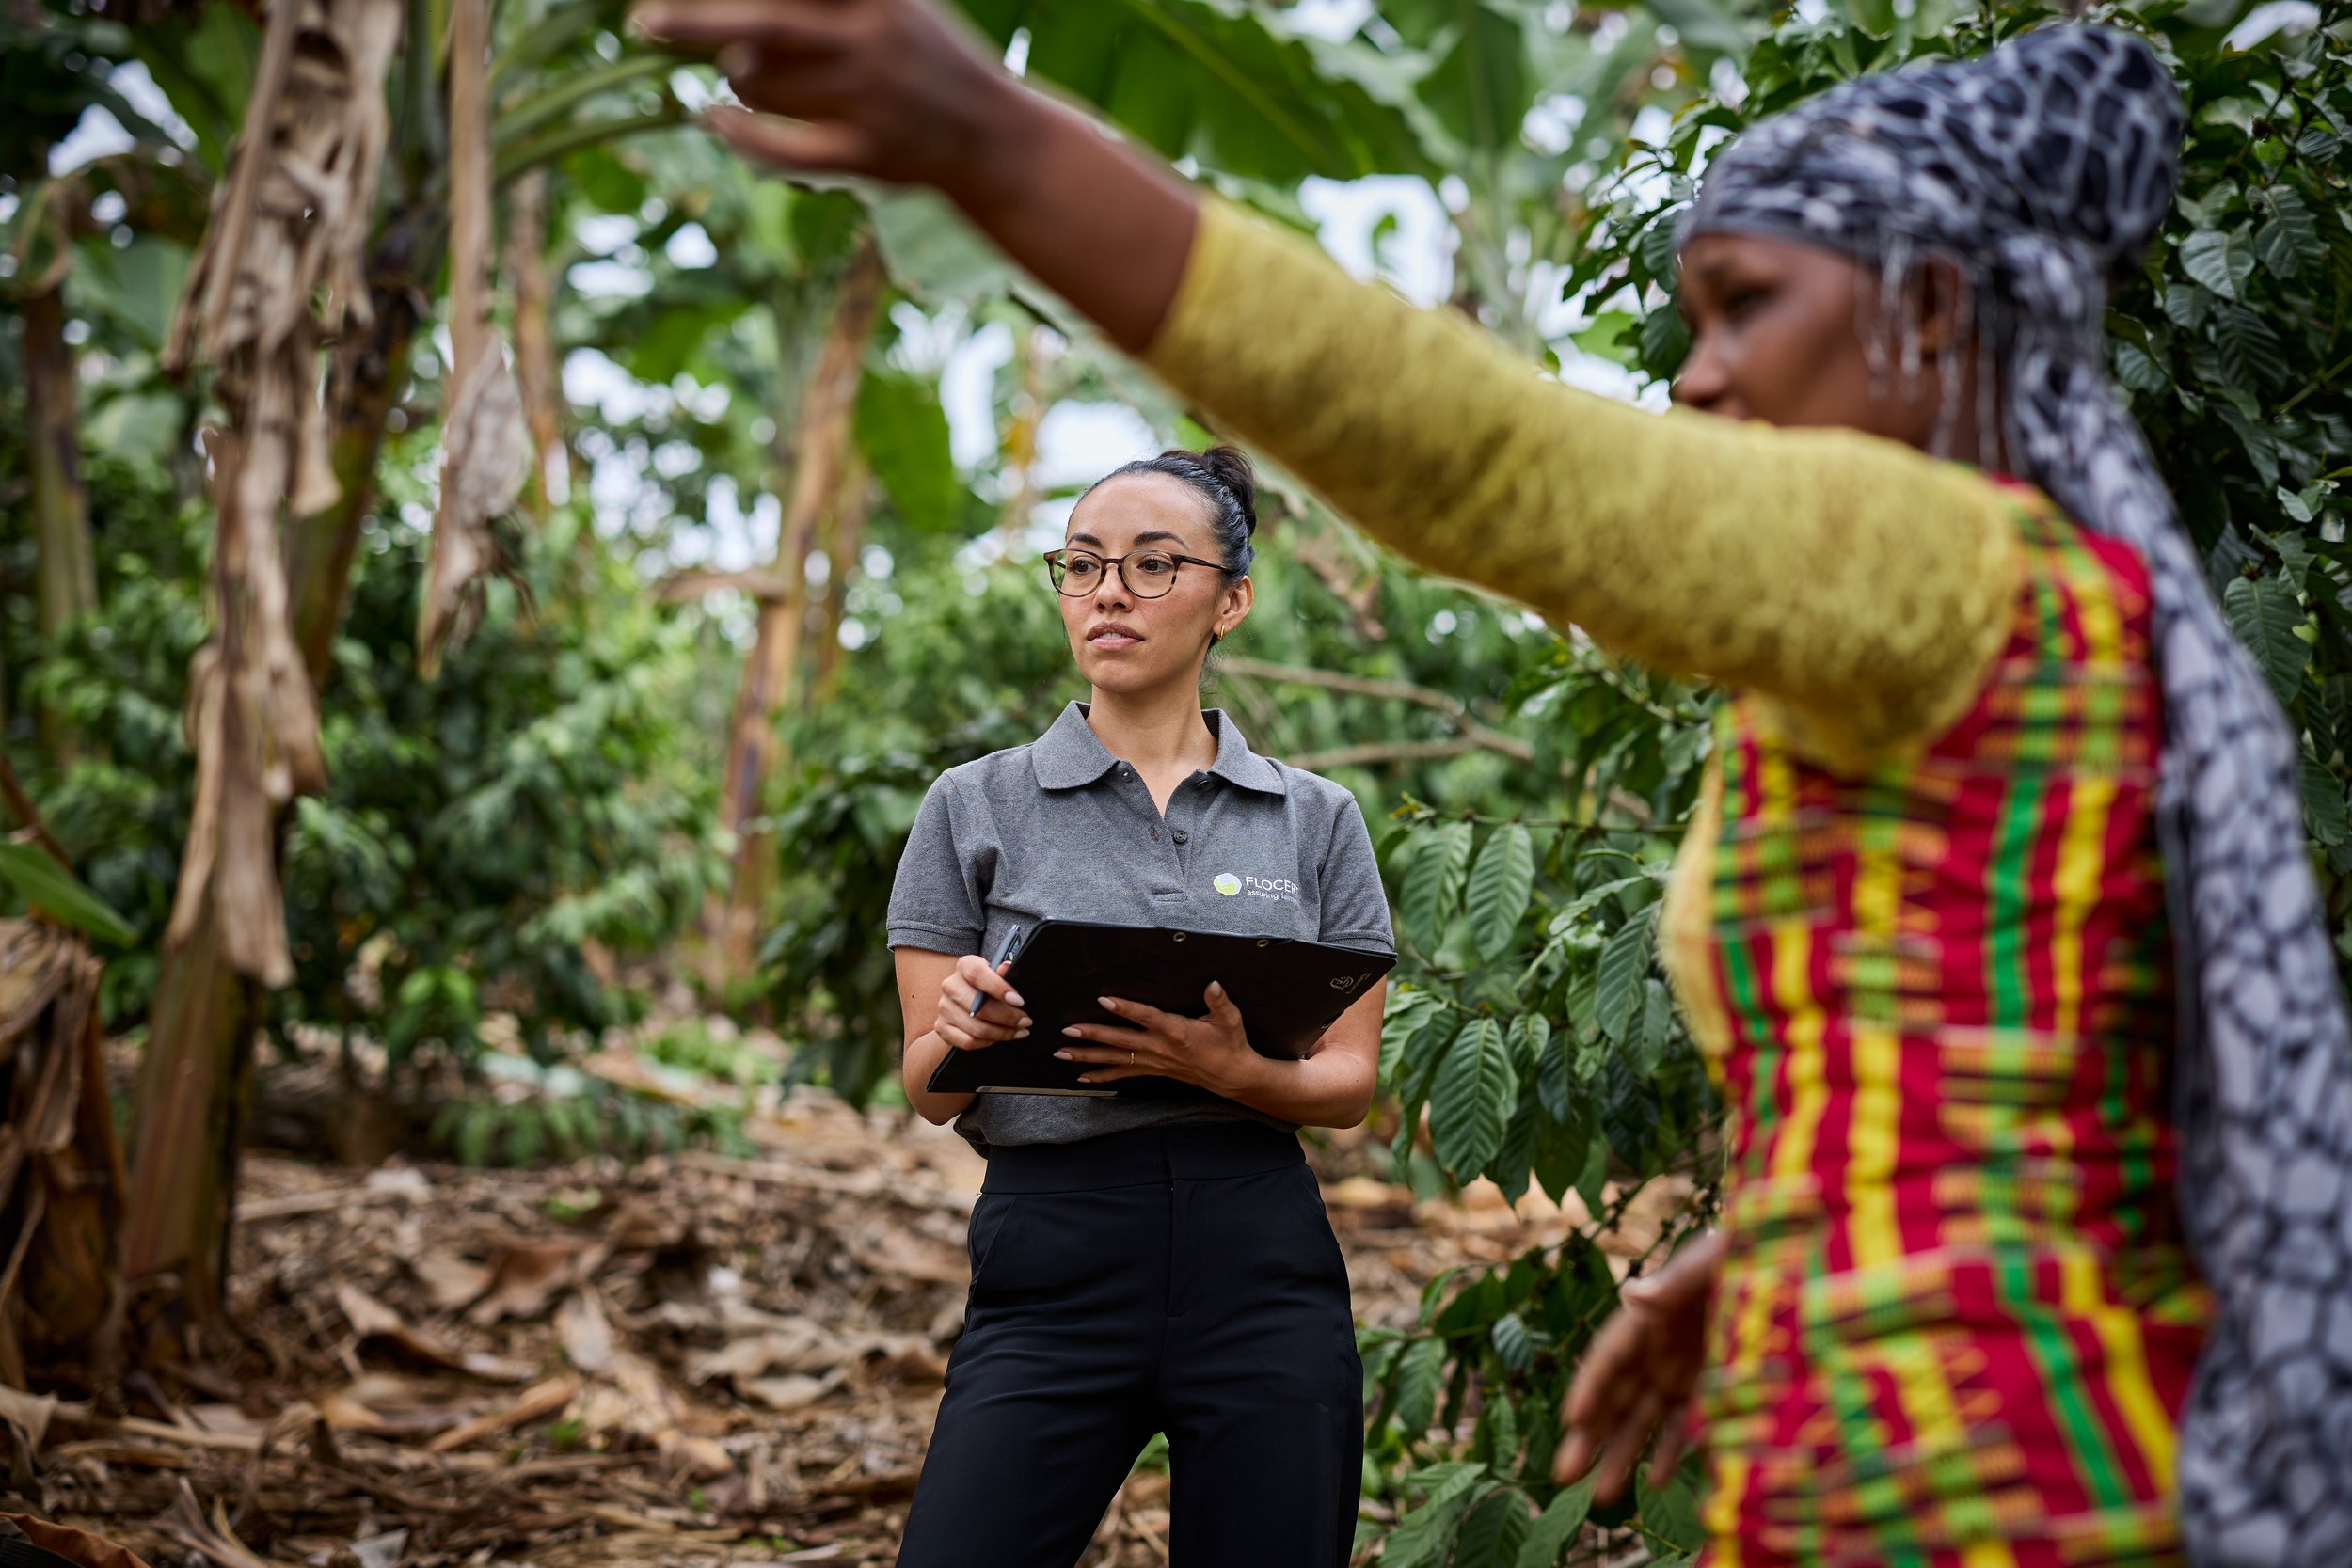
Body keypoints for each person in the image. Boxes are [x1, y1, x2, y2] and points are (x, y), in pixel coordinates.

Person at [629, 3, 2352, 1562]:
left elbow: (1486, 456)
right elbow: (2019, 1070)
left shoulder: (1941, 564)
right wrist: (1765, 1258)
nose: (1697, 375)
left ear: (1933, 307)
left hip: (2014, 1487)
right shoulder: (1982, 628)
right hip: (1911, 1458)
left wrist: (989, 135)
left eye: (1751, 303)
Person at [879, 446, 1394, 1568]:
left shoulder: (1316, 819)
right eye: (1082, 564)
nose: (1108, 591)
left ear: (1232, 601)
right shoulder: (972, 803)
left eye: (1155, 565)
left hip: (1257, 1251)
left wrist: (1238, 1074)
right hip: (1053, 1250)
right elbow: (924, 1087)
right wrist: (960, 1034)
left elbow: (1349, 1080)